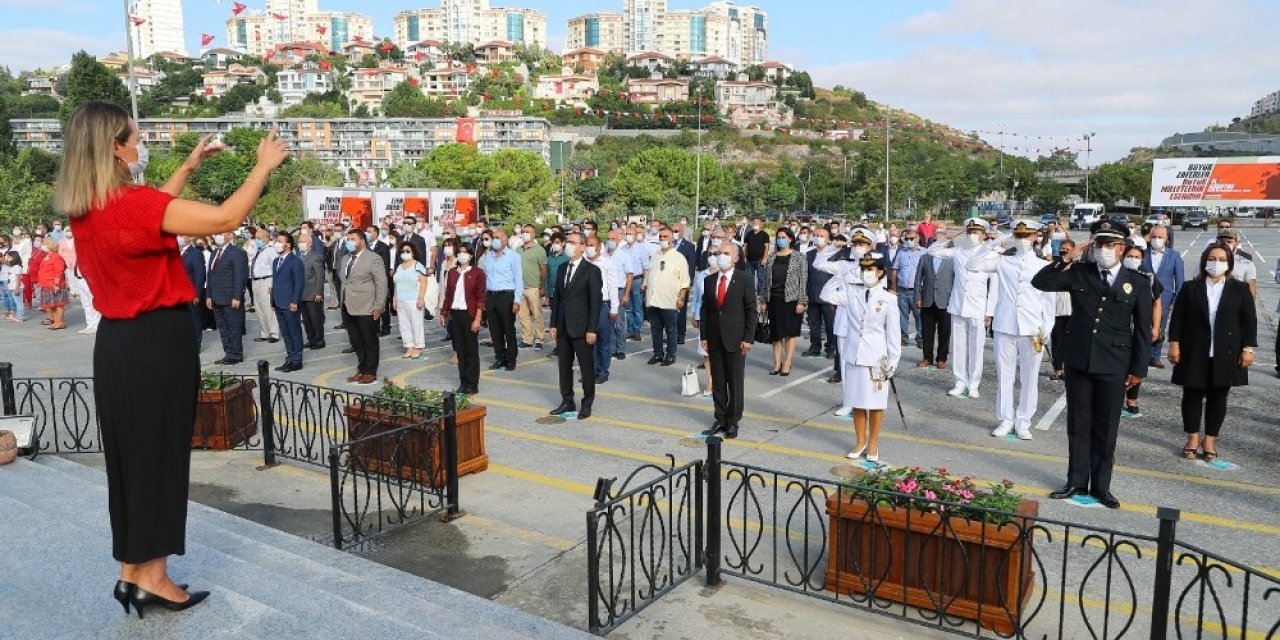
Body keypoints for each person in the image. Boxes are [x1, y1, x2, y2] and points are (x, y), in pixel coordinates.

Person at [57, 101, 287, 615]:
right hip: (156, 342)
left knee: (131, 460)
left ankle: (132, 571)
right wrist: (262, 167)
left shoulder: (88, 205)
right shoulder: (132, 205)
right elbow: (225, 217)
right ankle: (155, 579)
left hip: (116, 344)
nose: (140, 146)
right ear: (115, 147)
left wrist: (187, 166)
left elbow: (153, 211)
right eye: (135, 139)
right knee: (159, 458)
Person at [1031, 219, 1152, 509]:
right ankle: (1075, 481)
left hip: (1114, 362)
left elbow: (1142, 329)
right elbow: (1040, 282)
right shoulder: (1080, 272)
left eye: (1109, 245)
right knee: (1078, 424)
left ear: (1121, 248)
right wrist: (1067, 258)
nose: (1103, 249)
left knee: (1106, 427)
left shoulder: (1137, 282)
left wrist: (1138, 369)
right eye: (1099, 244)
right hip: (1079, 359)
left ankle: (1101, 486)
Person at [967, 221, 1056, 440]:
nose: (1022, 240)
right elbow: (972, 264)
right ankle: (1006, 419)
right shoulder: (1002, 261)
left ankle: (1024, 421)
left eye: (1026, 236)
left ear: (1035, 236)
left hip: (1032, 328)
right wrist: (994, 241)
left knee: (1029, 379)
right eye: (1018, 236)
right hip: (1005, 326)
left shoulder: (1043, 265)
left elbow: (1049, 301)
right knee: (1004, 377)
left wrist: (1047, 328)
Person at [1167, 244, 1257, 461]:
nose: (1216, 263)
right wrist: (1174, 343)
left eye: (1222, 259)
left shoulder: (1240, 289)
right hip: (1194, 349)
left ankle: (1209, 440)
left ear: (1229, 263)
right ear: (1204, 261)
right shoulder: (1190, 287)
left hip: (1226, 351)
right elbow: (1178, 317)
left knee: (1218, 396)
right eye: (1212, 258)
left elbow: (1249, 320)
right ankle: (1192, 438)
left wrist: (1247, 348)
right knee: (1192, 394)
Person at [815, 249, 901, 459]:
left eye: (870, 269)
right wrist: (841, 274)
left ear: (880, 272)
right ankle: (860, 441)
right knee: (857, 402)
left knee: (876, 403)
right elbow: (825, 294)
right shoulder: (852, 293)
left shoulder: (888, 299)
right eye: (863, 269)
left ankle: (873, 443)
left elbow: (893, 333)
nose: (866, 273)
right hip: (854, 355)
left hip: (877, 358)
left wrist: (893, 361)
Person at [927, 218, 997, 399]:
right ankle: (959, 381)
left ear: (984, 235)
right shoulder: (958, 251)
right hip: (958, 305)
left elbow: (994, 286)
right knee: (957, 346)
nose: (972, 235)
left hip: (978, 307)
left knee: (976, 347)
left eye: (976, 232)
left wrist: (989, 311)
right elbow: (931, 251)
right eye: (969, 232)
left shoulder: (990, 254)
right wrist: (949, 237)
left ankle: (974, 384)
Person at [700, 242, 758, 439]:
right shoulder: (710, 280)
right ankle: (720, 418)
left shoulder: (744, 280)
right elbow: (705, 309)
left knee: (734, 382)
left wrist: (748, 338)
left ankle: (733, 421)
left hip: (736, 338)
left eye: (726, 253)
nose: (721, 256)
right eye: (719, 253)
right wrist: (704, 336)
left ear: (735, 258)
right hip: (714, 337)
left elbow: (751, 311)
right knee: (718, 381)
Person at [548, 232, 604, 419]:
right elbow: (557, 298)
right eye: (568, 242)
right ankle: (567, 401)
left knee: (586, 368)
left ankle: (587, 403)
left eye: (573, 242)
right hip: (563, 326)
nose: (569, 245)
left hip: (582, 327)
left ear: (582, 246)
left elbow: (595, 302)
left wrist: (592, 329)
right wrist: (553, 324)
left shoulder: (591, 270)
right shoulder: (562, 268)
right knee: (564, 366)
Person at [1119, 244, 1165, 418]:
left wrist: (1156, 327)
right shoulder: (1116, 276)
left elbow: (1157, 303)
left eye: (1137, 257)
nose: (1133, 259)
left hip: (1141, 329)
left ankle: (1132, 402)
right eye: (1130, 256)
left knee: (1138, 362)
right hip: (1120, 329)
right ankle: (1115, 400)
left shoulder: (1149, 279)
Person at [339, 229, 389, 385]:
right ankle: (361, 368)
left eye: (352, 239)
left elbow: (381, 284)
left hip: (367, 306)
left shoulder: (373, 258)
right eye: (348, 239)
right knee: (356, 341)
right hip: (348, 306)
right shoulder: (346, 258)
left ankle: (370, 371)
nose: (349, 242)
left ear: (362, 241)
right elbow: (344, 281)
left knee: (369, 340)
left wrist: (379, 306)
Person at [643, 226, 691, 366]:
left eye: (665, 236)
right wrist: (646, 294)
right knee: (655, 329)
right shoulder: (655, 256)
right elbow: (649, 276)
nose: (662, 239)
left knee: (671, 330)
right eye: (660, 237)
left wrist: (681, 297)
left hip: (669, 300)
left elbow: (684, 281)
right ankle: (658, 354)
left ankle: (670, 355)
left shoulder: (679, 258)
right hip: (654, 299)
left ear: (671, 238)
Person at [441, 244, 486, 395]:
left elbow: (480, 298)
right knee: (460, 350)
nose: (462, 255)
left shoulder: (478, 273)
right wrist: (443, 312)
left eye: (465, 252)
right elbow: (448, 295)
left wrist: (477, 319)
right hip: (455, 314)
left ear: (471, 255)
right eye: (459, 252)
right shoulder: (452, 272)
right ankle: (463, 382)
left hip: (469, 314)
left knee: (471, 350)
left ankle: (472, 384)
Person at [763, 227, 808, 376]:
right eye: (778, 237)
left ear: (790, 239)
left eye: (783, 237)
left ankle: (787, 362)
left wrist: (801, 301)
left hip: (791, 300)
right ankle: (777, 363)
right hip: (774, 299)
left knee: (789, 333)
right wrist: (763, 300)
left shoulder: (799, 257)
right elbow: (766, 280)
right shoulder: (772, 257)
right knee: (776, 334)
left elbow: (803, 281)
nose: (780, 240)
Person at [482, 228, 523, 371]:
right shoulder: (488, 256)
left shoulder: (513, 256)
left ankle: (511, 359)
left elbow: (518, 279)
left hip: (506, 295)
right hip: (491, 295)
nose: (495, 240)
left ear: (505, 240)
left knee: (508, 328)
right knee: (494, 329)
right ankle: (500, 357)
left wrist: (517, 300)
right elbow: (485, 277)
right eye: (493, 237)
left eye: (498, 238)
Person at [1142, 225, 1183, 369]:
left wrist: (1176, 300)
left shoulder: (1174, 256)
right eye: (1153, 237)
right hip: (1144, 296)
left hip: (1165, 297)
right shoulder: (1143, 254)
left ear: (1166, 239)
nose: (1156, 239)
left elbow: (1179, 280)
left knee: (1160, 326)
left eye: (1159, 237)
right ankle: (1142, 355)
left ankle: (1155, 356)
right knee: (1143, 324)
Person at [207, 231, 248, 364]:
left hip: (231, 298)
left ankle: (236, 355)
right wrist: (209, 295)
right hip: (216, 297)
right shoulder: (215, 253)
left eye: (221, 233)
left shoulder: (237, 252)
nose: (217, 236)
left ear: (229, 235)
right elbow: (210, 275)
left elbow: (240, 276)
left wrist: (237, 296)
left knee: (234, 327)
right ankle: (228, 353)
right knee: (223, 328)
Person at [913, 232, 953, 369]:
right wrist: (917, 297)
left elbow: (956, 280)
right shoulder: (925, 258)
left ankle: (941, 358)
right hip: (927, 299)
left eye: (941, 241)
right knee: (927, 331)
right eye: (935, 241)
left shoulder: (952, 259)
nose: (938, 243)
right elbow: (918, 279)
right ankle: (927, 357)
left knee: (945, 331)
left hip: (945, 300)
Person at [585, 235, 619, 384]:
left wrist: (614, 308)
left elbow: (613, 286)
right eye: (587, 245)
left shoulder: (607, 263)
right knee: (589, 341)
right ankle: (591, 371)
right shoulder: (583, 262)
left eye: (592, 245)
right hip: (586, 305)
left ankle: (602, 371)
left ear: (599, 247)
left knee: (603, 340)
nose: (589, 248)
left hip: (603, 305)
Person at [270, 232, 305, 372]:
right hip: (279, 303)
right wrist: (272, 300)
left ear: (288, 245)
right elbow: (275, 282)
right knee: (285, 333)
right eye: (276, 241)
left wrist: (295, 301)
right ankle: (290, 358)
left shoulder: (295, 261)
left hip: (290, 303)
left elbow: (299, 283)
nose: (277, 243)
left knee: (294, 332)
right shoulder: (276, 261)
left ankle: (297, 360)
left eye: (280, 241)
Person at [803, 229, 838, 359]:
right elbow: (805, 274)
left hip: (829, 296)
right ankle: (815, 347)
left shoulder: (834, 253)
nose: (818, 238)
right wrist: (805, 293)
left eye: (822, 236)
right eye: (816, 235)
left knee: (830, 324)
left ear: (828, 239)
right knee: (814, 323)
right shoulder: (809, 254)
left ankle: (831, 348)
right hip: (812, 294)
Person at [393, 241, 429, 360]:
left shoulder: (418, 265)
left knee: (416, 324)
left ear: (413, 252)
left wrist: (421, 298)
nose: (405, 253)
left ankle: (418, 346)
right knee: (403, 325)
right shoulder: (399, 267)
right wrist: (394, 298)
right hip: (401, 299)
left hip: (414, 300)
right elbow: (396, 284)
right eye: (402, 251)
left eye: (408, 251)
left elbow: (424, 283)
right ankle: (409, 345)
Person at [690, 255, 720, 397]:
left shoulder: (727, 275)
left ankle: (721, 382)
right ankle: (710, 382)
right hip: (705, 317)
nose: (713, 256)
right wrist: (694, 314)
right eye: (710, 253)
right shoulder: (702, 275)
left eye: (717, 253)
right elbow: (697, 297)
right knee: (706, 351)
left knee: (720, 352)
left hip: (722, 317)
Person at [891, 228, 925, 347]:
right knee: (902, 316)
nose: (909, 241)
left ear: (918, 238)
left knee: (919, 316)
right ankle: (903, 337)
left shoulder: (924, 252)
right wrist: (894, 289)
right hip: (902, 289)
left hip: (917, 291)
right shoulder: (901, 252)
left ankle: (921, 338)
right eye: (907, 239)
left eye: (911, 238)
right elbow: (895, 270)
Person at [606, 228, 636, 361]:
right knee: (608, 322)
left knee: (619, 322)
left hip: (619, 291)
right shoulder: (603, 254)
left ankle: (621, 349)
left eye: (613, 239)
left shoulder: (624, 255)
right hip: (606, 291)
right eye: (609, 239)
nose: (611, 241)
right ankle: (612, 349)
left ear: (618, 239)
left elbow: (630, 275)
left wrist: (626, 294)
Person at [1048, 239, 1075, 381]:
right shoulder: (1055, 265)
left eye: (1067, 249)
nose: (1064, 251)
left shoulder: (1077, 268)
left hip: (1073, 310)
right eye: (1062, 248)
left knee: (1072, 341)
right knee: (1057, 340)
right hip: (1056, 309)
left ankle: (1070, 368)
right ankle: (1058, 369)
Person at [517, 225, 548, 350]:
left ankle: (540, 339)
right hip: (520, 287)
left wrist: (542, 287)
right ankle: (527, 339)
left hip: (534, 287)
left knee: (537, 315)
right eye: (523, 231)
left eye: (528, 232)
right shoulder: (518, 250)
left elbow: (543, 270)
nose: (525, 233)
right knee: (523, 316)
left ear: (534, 234)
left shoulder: (539, 250)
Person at [248, 228, 280, 344]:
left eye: (259, 238)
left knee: (268, 308)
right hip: (256, 281)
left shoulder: (270, 250)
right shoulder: (258, 250)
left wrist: (273, 284)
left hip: (266, 280)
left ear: (266, 238)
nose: (257, 240)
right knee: (259, 308)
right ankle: (264, 333)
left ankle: (274, 333)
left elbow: (275, 268)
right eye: (256, 238)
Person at [297, 232, 326, 350]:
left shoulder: (316, 256)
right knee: (306, 320)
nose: (300, 244)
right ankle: (311, 339)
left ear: (310, 243)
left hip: (312, 293)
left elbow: (320, 276)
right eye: (299, 242)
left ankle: (319, 340)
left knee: (315, 319)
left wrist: (319, 292)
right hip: (301, 293)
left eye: (302, 242)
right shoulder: (298, 256)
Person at [672, 223, 698, 345]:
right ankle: (672, 334)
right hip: (670, 283)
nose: (674, 233)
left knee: (680, 310)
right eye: (673, 231)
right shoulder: (669, 245)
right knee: (671, 310)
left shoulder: (689, 246)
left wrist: (689, 282)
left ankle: (681, 334)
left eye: (676, 231)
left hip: (682, 283)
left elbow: (691, 265)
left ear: (682, 231)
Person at [366, 226, 394, 336]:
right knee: (372, 304)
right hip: (369, 280)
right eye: (367, 231)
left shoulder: (383, 247)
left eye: (370, 231)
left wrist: (381, 278)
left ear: (376, 233)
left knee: (383, 304)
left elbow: (385, 264)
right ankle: (375, 327)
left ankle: (386, 327)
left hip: (380, 279)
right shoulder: (366, 246)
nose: (368, 233)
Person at [178, 235, 206, 348]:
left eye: (181, 235)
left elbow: (200, 274)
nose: (178, 238)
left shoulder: (195, 253)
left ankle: (196, 344)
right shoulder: (176, 253)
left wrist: (197, 294)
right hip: (178, 294)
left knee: (194, 319)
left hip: (191, 293)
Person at [37, 237, 69, 330]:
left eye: (44, 244)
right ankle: (56, 321)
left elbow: (59, 271)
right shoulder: (47, 257)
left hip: (54, 285)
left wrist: (56, 284)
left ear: (50, 245)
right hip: (46, 284)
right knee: (52, 305)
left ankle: (60, 322)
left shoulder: (56, 257)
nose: (42, 246)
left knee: (58, 304)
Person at [1216, 228, 1257, 299]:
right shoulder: (1209, 261)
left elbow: (1251, 290)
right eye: (1222, 242)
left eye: (1229, 242)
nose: (1225, 244)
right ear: (1217, 242)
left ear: (1237, 243)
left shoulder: (1246, 264)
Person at [743, 217, 771, 295]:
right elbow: (745, 246)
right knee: (749, 278)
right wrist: (744, 257)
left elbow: (766, 247)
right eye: (754, 223)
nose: (755, 224)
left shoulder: (764, 235)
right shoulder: (749, 234)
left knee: (761, 278)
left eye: (757, 223)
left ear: (761, 224)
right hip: (749, 260)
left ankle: (760, 295)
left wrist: (765, 258)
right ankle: (750, 294)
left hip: (760, 260)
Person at [2, 251, 24, 322]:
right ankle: (17, 315)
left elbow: (18, 279)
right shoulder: (13, 267)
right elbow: (11, 278)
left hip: (16, 287)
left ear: (14, 257)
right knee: (16, 302)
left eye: (8, 256)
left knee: (19, 302)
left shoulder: (17, 267)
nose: (6, 258)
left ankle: (20, 317)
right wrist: (7, 287)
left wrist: (17, 288)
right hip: (12, 287)